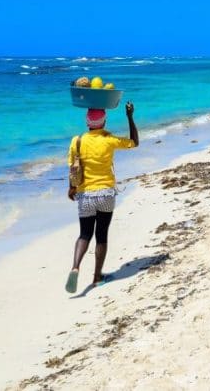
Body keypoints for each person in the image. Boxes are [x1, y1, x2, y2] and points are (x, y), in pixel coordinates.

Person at [65, 101, 139, 293]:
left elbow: (73, 169)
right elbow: (134, 142)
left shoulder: (77, 141)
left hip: (85, 195)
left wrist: (72, 188)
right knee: (101, 235)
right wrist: (129, 116)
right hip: (105, 194)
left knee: (84, 234)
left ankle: (75, 266)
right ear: (104, 122)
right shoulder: (109, 139)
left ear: (87, 122)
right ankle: (97, 277)